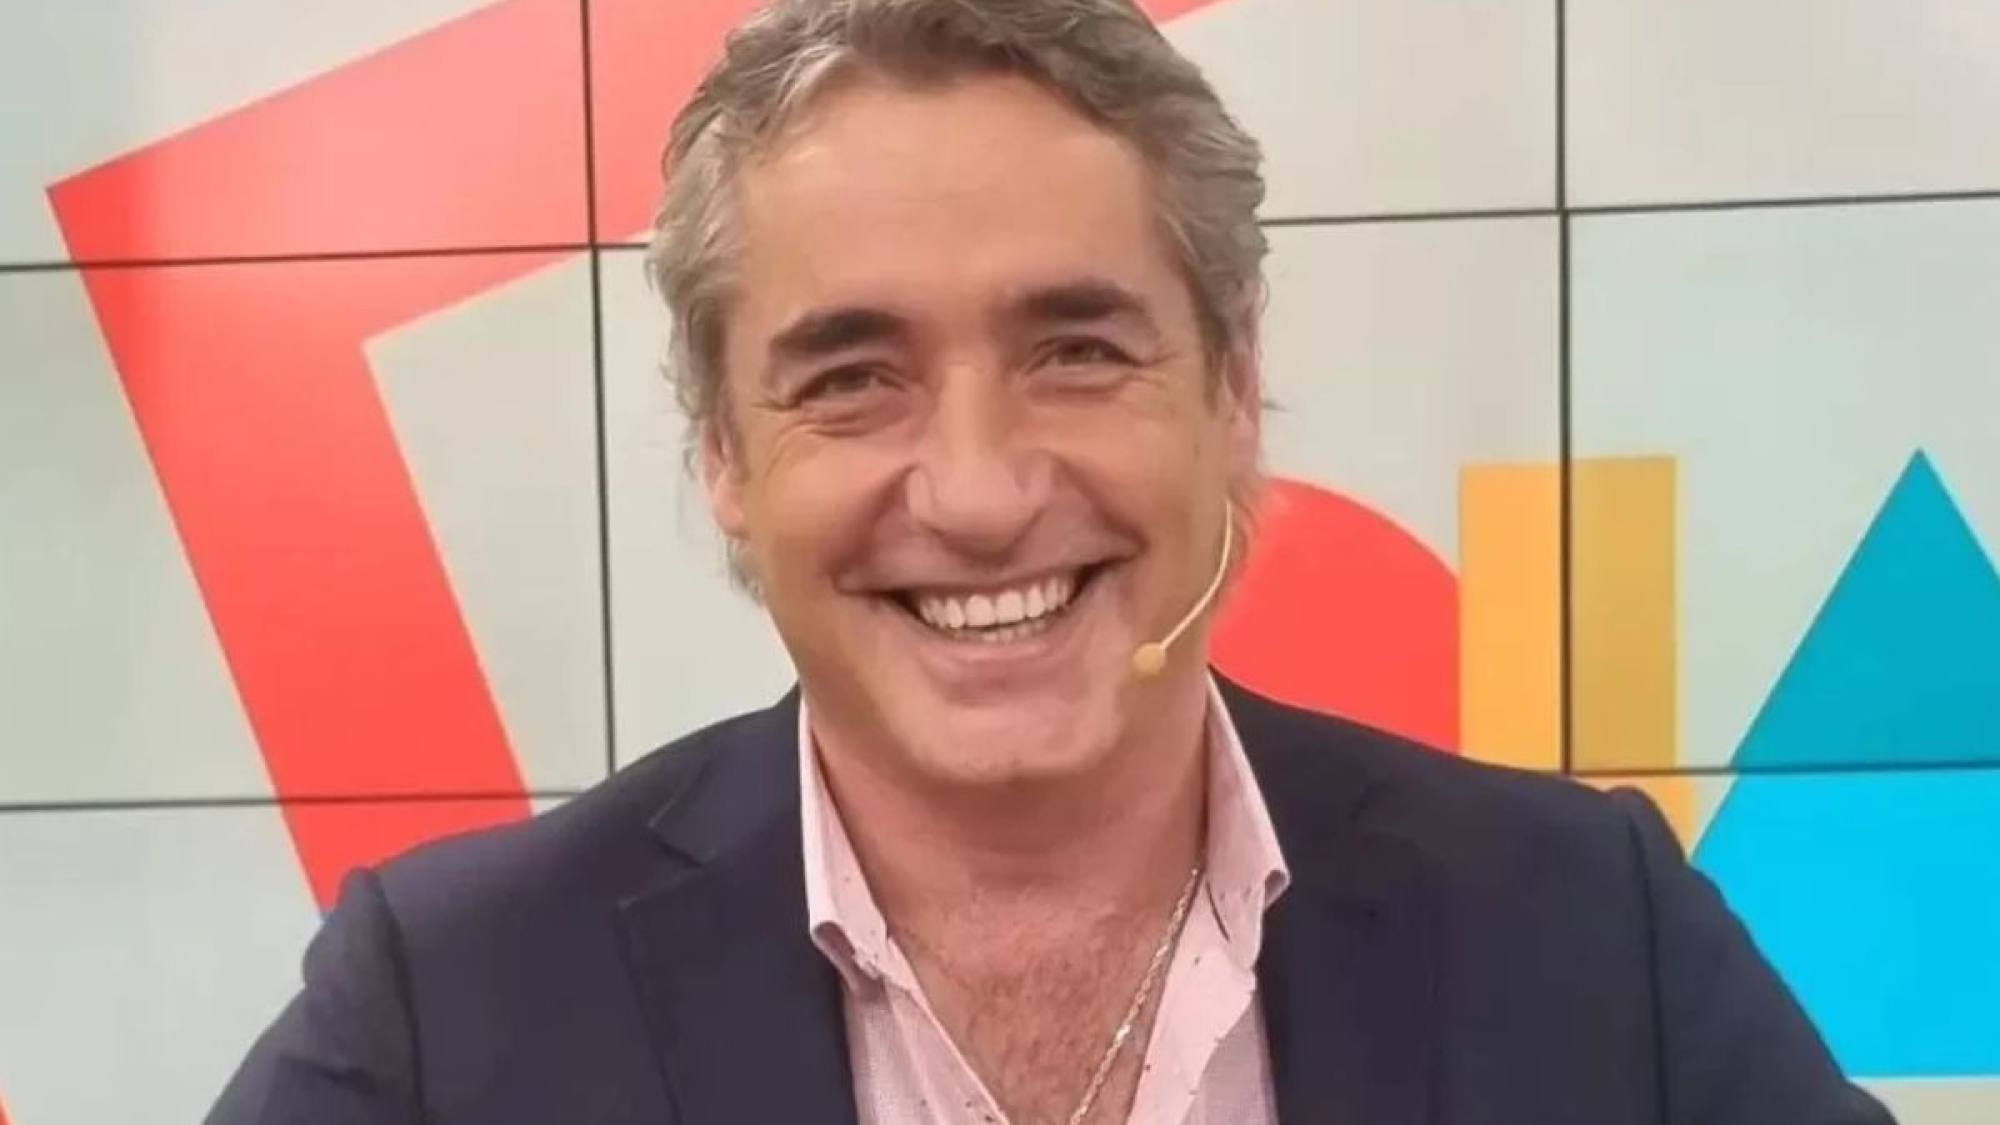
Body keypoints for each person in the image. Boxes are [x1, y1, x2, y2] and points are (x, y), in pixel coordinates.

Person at [210, 1, 1895, 1122]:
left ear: (1231, 390)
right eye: (851, 377)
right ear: (723, 452)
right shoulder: (449, 1004)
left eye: (1078, 351)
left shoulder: (1590, 928)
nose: (979, 491)